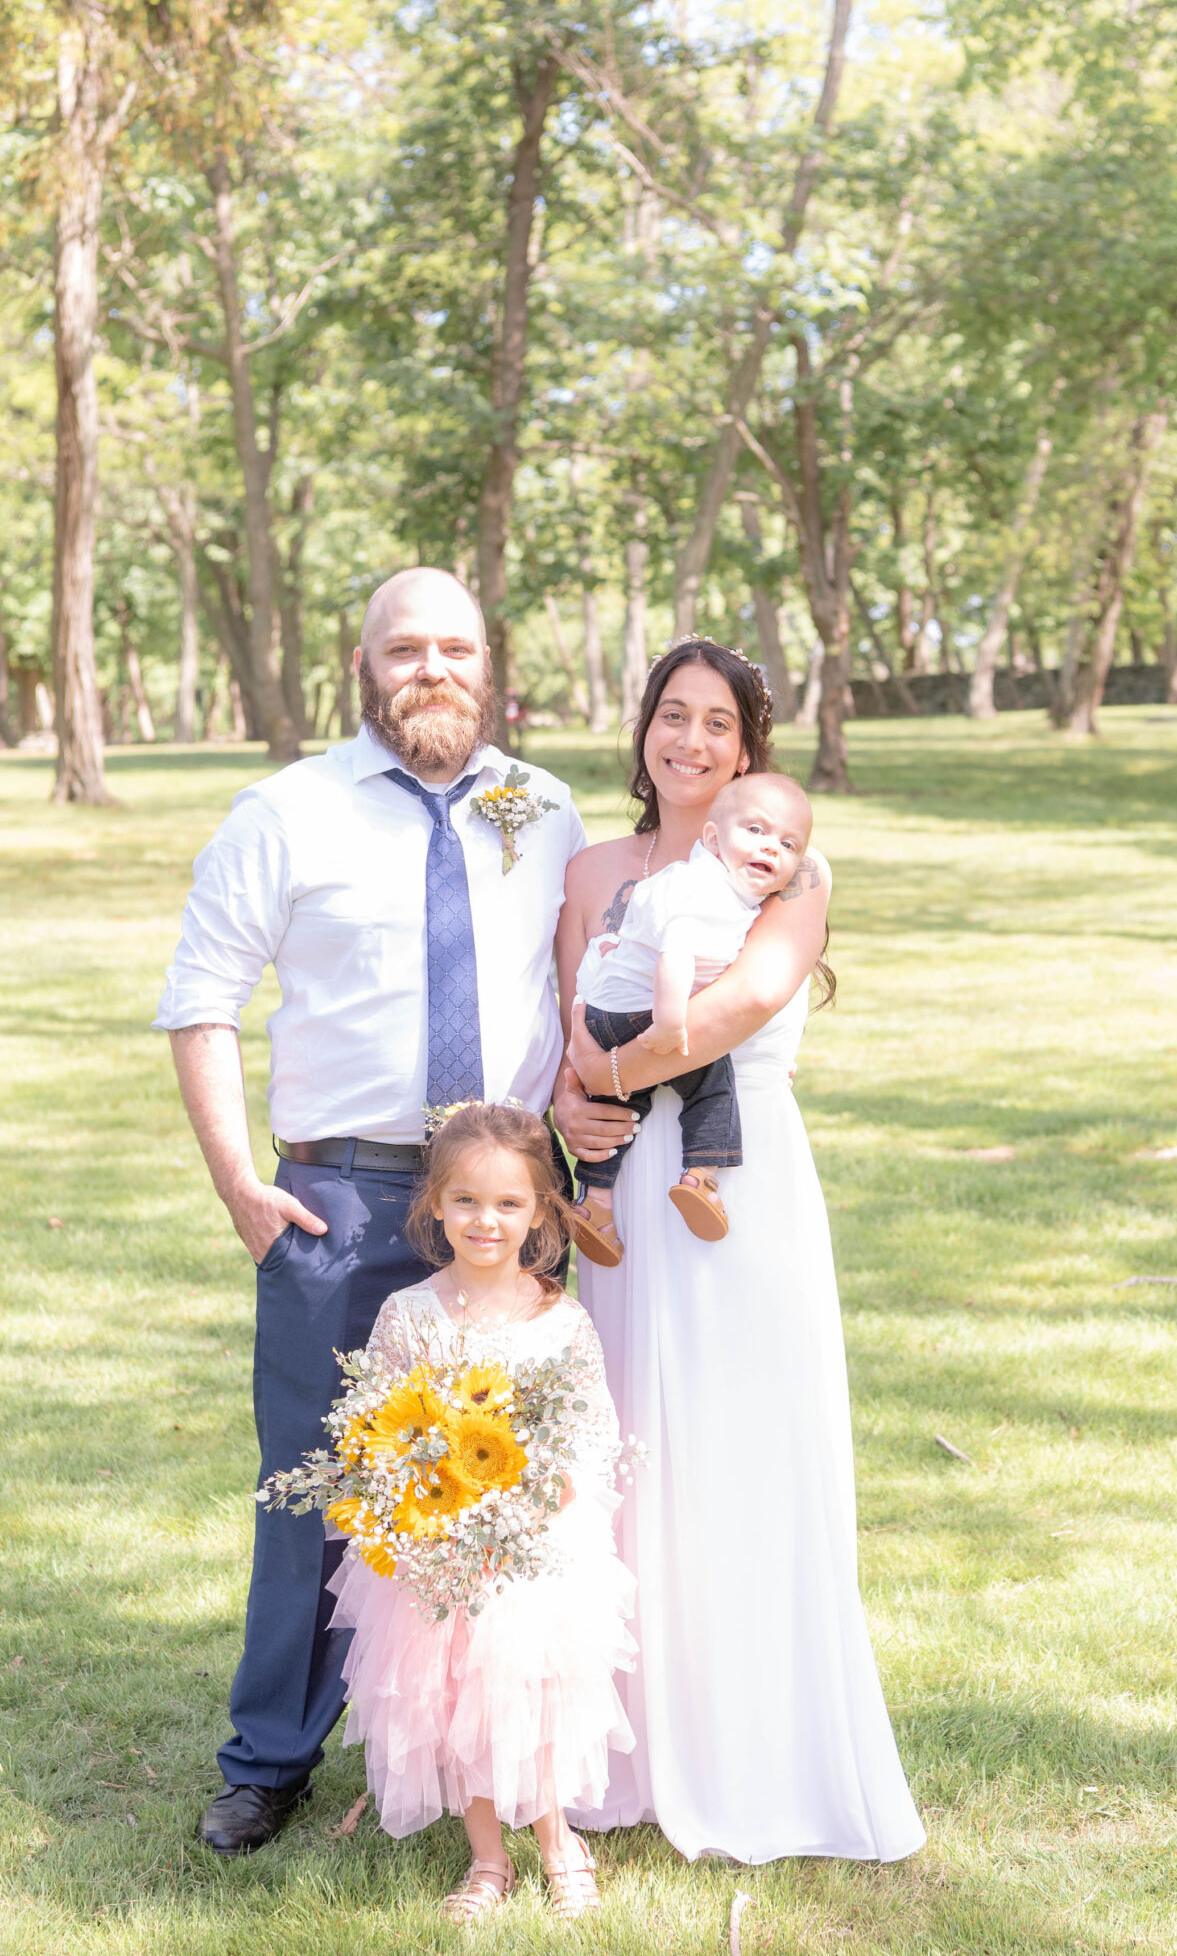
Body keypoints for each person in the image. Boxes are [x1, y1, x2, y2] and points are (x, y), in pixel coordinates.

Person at [154, 568, 595, 1857]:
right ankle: (271, 1757)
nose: (433, 669)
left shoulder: (543, 807)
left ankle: (496, 1748)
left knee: (514, 1481)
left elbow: (589, 984)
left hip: (507, 1199)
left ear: (489, 659)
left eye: (455, 646)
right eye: (406, 648)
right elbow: (201, 998)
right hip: (337, 1192)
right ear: (364, 662)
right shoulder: (286, 811)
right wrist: (241, 1183)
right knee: (320, 1481)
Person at [554, 637, 924, 1864]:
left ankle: (760, 1752)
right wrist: (571, 1098)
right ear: (644, 729)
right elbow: (572, 1015)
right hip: (617, 1192)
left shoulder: (791, 871)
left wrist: (603, 1069)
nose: (692, 741)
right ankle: (621, 1757)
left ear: (748, 749)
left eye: (718, 723)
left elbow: (739, 1006)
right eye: (673, 714)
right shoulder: (594, 866)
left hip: (735, 1185)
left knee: (740, 1447)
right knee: (624, 1459)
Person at [331, 1105, 635, 1924]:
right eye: (464, 1201)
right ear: (433, 1204)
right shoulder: (409, 1315)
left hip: (534, 1546)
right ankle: (487, 1858)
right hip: (438, 1547)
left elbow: (587, 1433)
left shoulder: (559, 1321)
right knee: (446, 1692)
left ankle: (557, 1841)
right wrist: (422, 1506)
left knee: (527, 1691)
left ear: (540, 1210)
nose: (485, 1221)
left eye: (507, 1204)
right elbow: (379, 1429)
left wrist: (541, 1501)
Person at [569, 772, 815, 1267]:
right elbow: (677, 951)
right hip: (644, 1013)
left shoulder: (763, 880)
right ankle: (701, 1174)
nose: (772, 848)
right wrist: (668, 1023)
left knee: (622, 1106)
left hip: (607, 1014)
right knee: (712, 1080)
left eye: (788, 843)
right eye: (756, 831)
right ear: (712, 838)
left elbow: (763, 990)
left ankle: (594, 1202)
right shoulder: (706, 889)